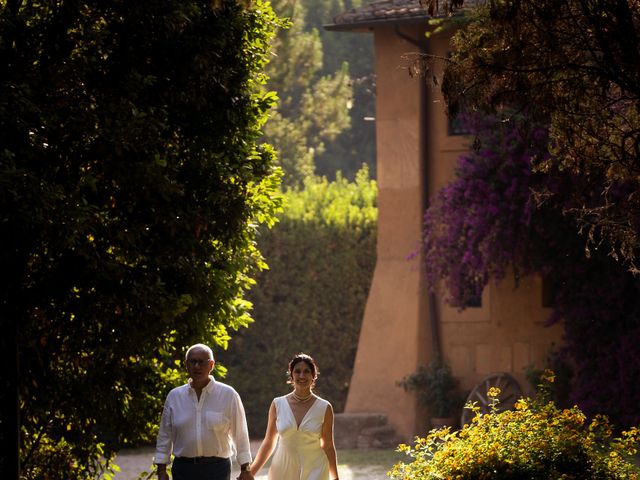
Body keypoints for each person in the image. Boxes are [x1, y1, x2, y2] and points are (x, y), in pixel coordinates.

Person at [154, 343, 253, 480]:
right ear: (186, 365)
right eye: (192, 362)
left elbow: (240, 434)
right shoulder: (174, 396)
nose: (196, 366)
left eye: (201, 362)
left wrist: (245, 469)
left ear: (211, 365)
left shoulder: (228, 395)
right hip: (183, 470)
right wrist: (161, 470)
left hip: (217, 470)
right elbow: (164, 435)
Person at [249, 353, 339, 480]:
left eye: (307, 371)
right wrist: (250, 472)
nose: (302, 376)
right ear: (291, 375)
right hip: (282, 469)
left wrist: (335, 477)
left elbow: (328, 446)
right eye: (297, 371)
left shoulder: (325, 407)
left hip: (315, 470)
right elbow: (269, 443)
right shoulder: (277, 404)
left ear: (313, 376)